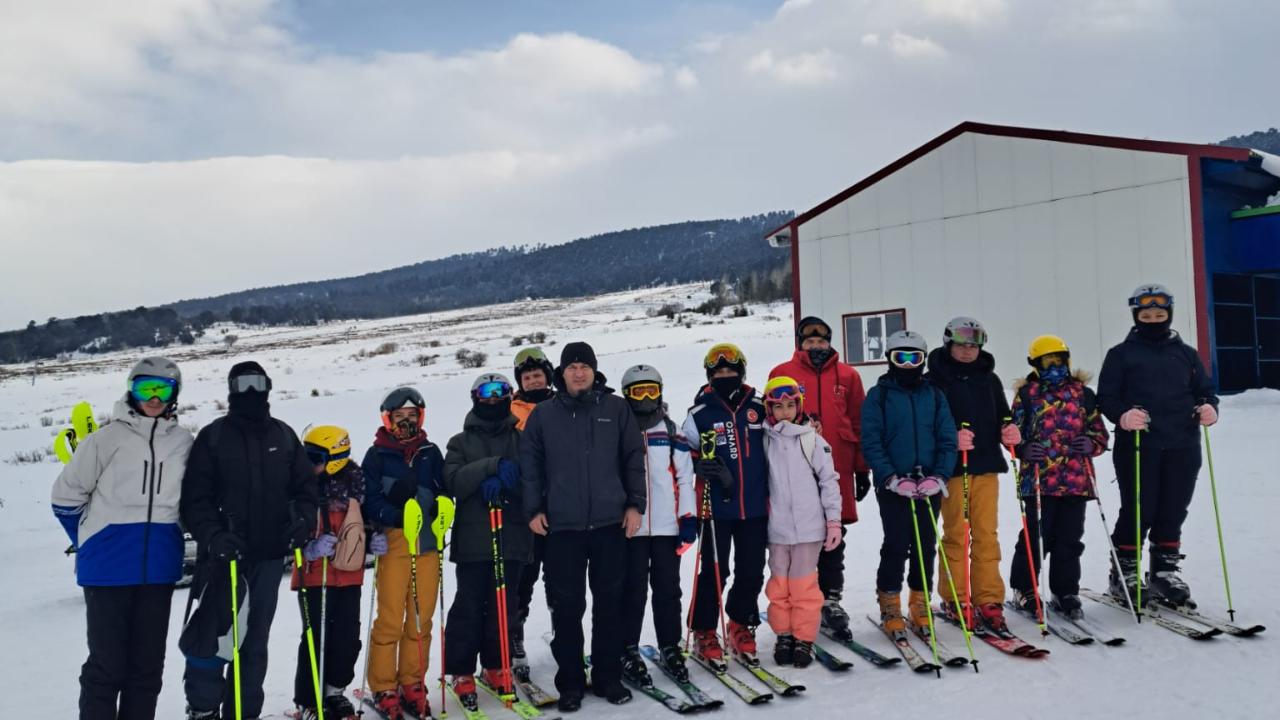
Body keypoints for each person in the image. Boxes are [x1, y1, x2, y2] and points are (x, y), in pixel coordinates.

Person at [51, 357, 193, 720]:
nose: (155, 397)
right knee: (106, 667)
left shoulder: (183, 443)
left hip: (158, 570)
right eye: (146, 388)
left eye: (164, 389)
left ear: (175, 394)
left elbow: (193, 500)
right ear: (131, 390)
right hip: (107, 571)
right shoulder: (105, 439)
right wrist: (91, 540)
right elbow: (66, 497)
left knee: (146, 669)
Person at [179, 361, 319, 720]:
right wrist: (212, 535)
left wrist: (303, 521)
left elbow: (305, 489)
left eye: (257, 383)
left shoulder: (283, 436)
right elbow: (195, 498)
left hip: (269, 557)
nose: (251, 392)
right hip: (223, 560)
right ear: (231, 389)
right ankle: (204, 709)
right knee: (213, 639)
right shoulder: (213, 437)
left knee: (254, 645)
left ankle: (243, 713)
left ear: (269, 386)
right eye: (243, 384)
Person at [520, 342, 646, 712]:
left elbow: (632, 460)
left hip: (610, 523)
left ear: (594, 370)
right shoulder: (543, 416)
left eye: (585, 366)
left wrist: (634, 505)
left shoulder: (616, 409)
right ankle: (571, 682)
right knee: (567, 608)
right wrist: (533, 510)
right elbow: (531, 467)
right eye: (572, 366)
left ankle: (608, 677)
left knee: (609, 604)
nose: (579, 372)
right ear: (561, 372)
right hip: (563, 528)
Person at [1098, 284, 1218, 607]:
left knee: (1173, 509)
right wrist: (1123, 415)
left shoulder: (1186, 354)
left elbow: (1204, 389)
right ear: (1137, 316)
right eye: (1146, 315)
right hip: (1139, 446)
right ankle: (1125, 572)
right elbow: (1107, 397)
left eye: (1160, 314)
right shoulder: (1120, 355)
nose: (1153, 319)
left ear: (1170, 315)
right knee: (1139, 509)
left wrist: (1208, 407)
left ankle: (1164, 572)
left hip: (1182, 444)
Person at [768, 316, 870, 633]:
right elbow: (770, 419)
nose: (816, 346)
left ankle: (830, 600)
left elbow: (857, 422)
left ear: (829, 342)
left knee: (832, 535)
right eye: (809, 341)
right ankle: (799, 601)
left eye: (821, 341)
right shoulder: (781, 373)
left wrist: (861, 468)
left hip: (835, 467)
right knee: (797, 541)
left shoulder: (848, 376)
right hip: (792, 472)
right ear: (800, 343)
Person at [924, 317, 1021, 634]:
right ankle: (956, 597)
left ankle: (988, 599)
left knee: (986, 534)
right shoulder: (933, 381)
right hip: (951, 469)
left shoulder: (989, 380)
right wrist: (950, 438)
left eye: (973, 346)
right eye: (961, 345)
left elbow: (1002, 414)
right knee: (956, 533)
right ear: (948, 343)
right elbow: (925, 425)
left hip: (985, 465)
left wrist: (1008, 431)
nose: (967, 351)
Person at [441, 373, 532, 709]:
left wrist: (513, 480)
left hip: (512, 535)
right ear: (475, 397)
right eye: (486, 392)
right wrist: (490, 468)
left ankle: (496, 663)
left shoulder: (522, 439)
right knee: (469, 605)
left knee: (504, 607)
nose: (493, 398)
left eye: (500, 392)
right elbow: (452, 481)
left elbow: (536, 481)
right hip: (473, 538)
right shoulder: (460, 442)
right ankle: (461, 669)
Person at [861, 331, 957, 635]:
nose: (906, 365)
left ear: (923, 360)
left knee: (925, 544)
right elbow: (872, 440)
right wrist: (890, 477)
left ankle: (919, 601)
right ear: (889, 360)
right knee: (897, 542)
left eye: (913, 358)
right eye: (899, 358)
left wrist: (939, 475)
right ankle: (889, 602)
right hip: (895, 485)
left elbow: (947, 438)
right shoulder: (880, 395)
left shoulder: (934, 394)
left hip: (928, 483)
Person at [681, 343, 770, 667]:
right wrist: (697, 464)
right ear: (709, 376)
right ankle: (704, 629)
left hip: (755, 507)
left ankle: (739, 622)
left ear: (741, 372)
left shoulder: (759, 408)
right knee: (715, 571)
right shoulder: (699, 414)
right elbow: (682, 452)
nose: (725, 376)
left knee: (751, 570)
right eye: (718, 372)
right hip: (715, 509)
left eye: (730, 371)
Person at [1008, 336, 1109, 620]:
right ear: (1036, 365)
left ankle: (1065, 590)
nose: (1055, 368)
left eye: (1059, 362)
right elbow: (1012, 433)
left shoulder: (1083, 394)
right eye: (1047, 363)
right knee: (1036, 537)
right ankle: (1024, 588)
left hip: (1076, 480)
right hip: (1039, 481)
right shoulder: (1027, 395)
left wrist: (1092, 443)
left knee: (1070, 539)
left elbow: (1099, 433)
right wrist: (1023, 448)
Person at [291, 425, 384, 720]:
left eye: (315, 457)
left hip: (349, 575)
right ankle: (308, 699)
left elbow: (363, 526)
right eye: (305, 455)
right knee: (315, 637)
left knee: (346, 637)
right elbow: (288, 526)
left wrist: (372, 541)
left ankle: (334, 691)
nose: (309, 463)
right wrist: (307, 548)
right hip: (313, 574)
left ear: (336, 458)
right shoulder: (300, 487)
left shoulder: (356, 486)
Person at [362, 387, 444, 720]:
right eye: (400, 418)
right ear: (389, 420)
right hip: (396, 541)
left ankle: (412, 680)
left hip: (426, 542)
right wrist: (392, 514)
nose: (406, 423)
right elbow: (369, 499)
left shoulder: (430, 451)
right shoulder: (378, 455)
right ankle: (383, 684)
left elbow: (444, 487)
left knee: (421, 617)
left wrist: (442, 508)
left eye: (412, 417)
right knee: (392, 618)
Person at [616, 364, 697, 686]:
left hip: (666, 527)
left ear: (661, 392)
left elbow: (685, 480)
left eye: (651, 390)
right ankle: (628, 648)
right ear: (627, 396)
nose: (646, 398)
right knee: (632, 591)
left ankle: (669, 645)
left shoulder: (672, 431)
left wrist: (688, 520)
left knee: (667, 591)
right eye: (638, 392)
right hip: (632, 528)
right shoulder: (620, 432)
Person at [759, 377, 843, 669]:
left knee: (804, 586)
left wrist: (833, 521)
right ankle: (784, 634)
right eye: (778, 406)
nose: (784, 411)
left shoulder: (812, 440)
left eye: (790, 405)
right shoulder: (764, 439)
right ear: (769, 409)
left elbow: (829, 482)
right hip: (778, 530)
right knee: (779, 586)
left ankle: (804, 637)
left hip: (809, 529)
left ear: (799, 406)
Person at [509, 346, 556, 671]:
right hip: (526, 510)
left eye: (538, 375)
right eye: (527, 377)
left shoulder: (562, 403)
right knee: (524, 576)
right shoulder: (511, 412)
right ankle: (514, 634)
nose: (533, 381)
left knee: (561, 577)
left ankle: (562, 630)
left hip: (564, 506)